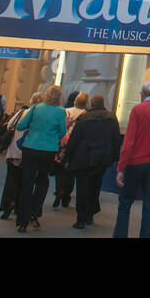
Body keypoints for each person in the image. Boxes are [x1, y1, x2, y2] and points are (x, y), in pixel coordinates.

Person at [114, 82, 150, 238]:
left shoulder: (137, 110)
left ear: (142, 93)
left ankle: (120, 235)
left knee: (126, 201)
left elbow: (129, 142)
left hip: (136, 162)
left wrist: (121, 167)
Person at [63, 94, 120, 229]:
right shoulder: (111, 118)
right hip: (102, 158)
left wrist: (68, 157)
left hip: (83, 157)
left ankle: (81, 218)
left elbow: (74, 139)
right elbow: (116, 139)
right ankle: (90, 214)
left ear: (92, 104)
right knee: (95, 186)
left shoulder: (84, 118)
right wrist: (115, 157)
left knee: (82, 187)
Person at [15, 85, 66, 232]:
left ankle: (22, 220)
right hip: (48, 150)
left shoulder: (36, 108)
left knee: (27, 181)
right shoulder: (61, 111)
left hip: (30, 147)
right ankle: (34, 212)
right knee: (42, 180)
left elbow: (20, 126)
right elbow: (62, 132)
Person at [0, 93, 39, 219]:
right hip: (30, 152)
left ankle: (8, 204)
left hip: (15, 151)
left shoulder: (22, 112)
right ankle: (19, 206)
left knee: (11, 179)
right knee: (25, 181)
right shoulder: (40, 116)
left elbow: (10, 124)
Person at [52, 91, 88, 209]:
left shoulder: (65, 111)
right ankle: (66, 194)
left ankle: (58, 189)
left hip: (62, 143)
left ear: (74, 101)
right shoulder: (85, 115)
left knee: (60, 168)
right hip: (75, 146)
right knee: (71, 171)